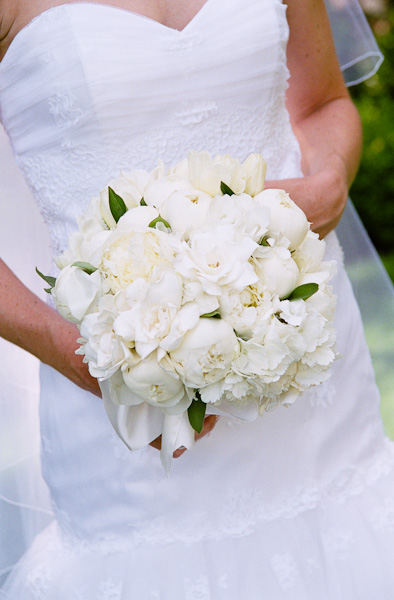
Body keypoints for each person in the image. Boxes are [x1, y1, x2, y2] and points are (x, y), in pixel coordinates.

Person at [0, 0, 394, 597]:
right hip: (124, 403)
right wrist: (74, 355)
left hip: (314, 374)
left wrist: (331, 180)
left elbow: (321, 105)